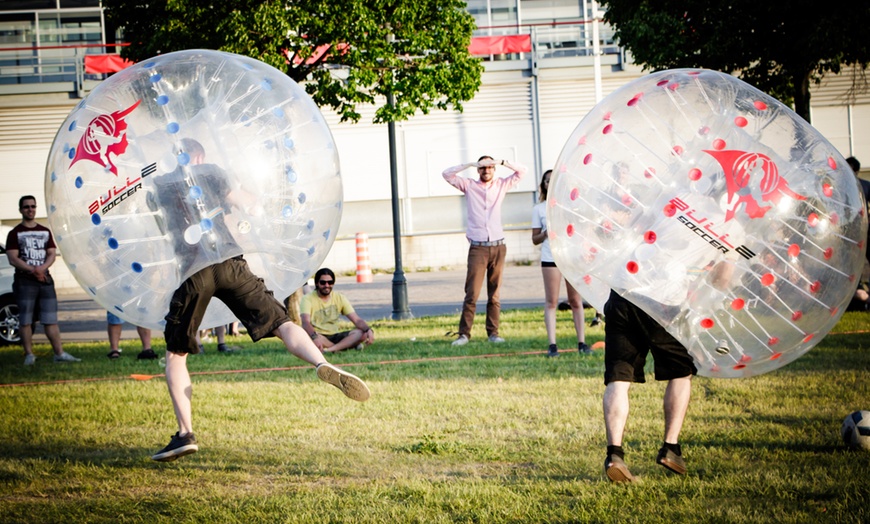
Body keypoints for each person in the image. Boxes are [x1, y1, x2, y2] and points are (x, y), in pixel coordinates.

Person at [149, 138, 370, 463]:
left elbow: (165, 233)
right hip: (230, 263)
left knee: (176, 355)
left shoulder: (162, 185)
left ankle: (185, 433)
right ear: (200, 154)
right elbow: (246, 203)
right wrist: (254, 201)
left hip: (193, 271)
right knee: (282, 323)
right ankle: (322, 363)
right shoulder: (211, 172)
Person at [602, 187, 741, 483]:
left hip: (624, 287)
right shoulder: (732, 226)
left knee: (619, 377)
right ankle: (671, 447)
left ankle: (614, 453)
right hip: (664, 300)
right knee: (681, 371)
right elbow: (723, 279)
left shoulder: (678, 195)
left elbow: (638, 225)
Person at [442, 155, 526, 346]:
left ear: (494, 169)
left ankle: (493, 333)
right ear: (478, 170)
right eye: (482, 168)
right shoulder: (469, 186)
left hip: (498, 245)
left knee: (494, 293)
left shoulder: (501, 185)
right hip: (478, 247)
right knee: (472, 293)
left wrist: (502, 162)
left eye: (489, 167)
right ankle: (464, 334)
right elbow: (446, 174)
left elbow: (522, 171)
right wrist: (470, 164)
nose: (486, 171)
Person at [5, 195, 79, 365]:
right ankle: (29, 354)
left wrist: (42, 268)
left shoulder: (44, 231)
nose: (30, 209)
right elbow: (13, 258)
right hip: (25, 281)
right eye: (26, 207)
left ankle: (59, 353)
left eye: (32, 206)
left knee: (50, 319)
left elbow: (52, 253)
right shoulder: (14, 233)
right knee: (25, 320)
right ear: (20, 210)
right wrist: (33, 270)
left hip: (45, 280)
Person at [531, 170, 592, 357]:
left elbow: (582, 229)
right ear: (544, 185)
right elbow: (535, 239)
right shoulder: (539, 209)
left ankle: (581, 342)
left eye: (553, 180)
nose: (550, 184)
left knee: (575, 300)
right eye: (547, 181)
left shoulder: (570, 206)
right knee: (552, 301)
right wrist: (545, 234)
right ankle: (552, 345)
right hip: (551, 259)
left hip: (571, 258)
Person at [300, 268, 374, 353]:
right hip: (318, 335)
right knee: (307, 337)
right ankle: (347, 346)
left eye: (330, 282)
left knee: (362, 334)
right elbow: (305, 322)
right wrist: (314, 337)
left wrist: (369, 330)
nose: (327, 285)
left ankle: (330, 350)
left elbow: (356, 320)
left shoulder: (339, 297)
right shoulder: (307, 299)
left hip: (335, 336)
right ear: (317, 283)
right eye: (323, 282)